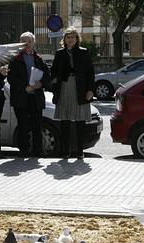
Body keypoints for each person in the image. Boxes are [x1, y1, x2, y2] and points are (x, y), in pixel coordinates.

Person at [50, 27, 95, 158]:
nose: (70, 40)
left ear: (77, 39)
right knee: (65, 122)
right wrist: (56, 79)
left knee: (80, 121)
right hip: (64, 88)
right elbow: (53, 72)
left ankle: (80, 151)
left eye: (73, 37)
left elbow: (90, 73)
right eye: (68, 37)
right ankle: (65, 151)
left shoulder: (84, 52)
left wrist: (90, 90)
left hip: (80, 90)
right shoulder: (59, 53)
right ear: (64, 39)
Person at [7, 31, 51, 157]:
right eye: (23, 41)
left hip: (36, 97)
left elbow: (47, 76)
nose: (26, 44)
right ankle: (24, 151)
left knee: (37, 126)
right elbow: (11, 79)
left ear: (33, 43)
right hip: (21, 97)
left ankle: (37, 151)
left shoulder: (39, 58)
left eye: (29, 41)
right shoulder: (14, 59)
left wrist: (40, 84)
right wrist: (24, 88)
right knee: (22, 126)